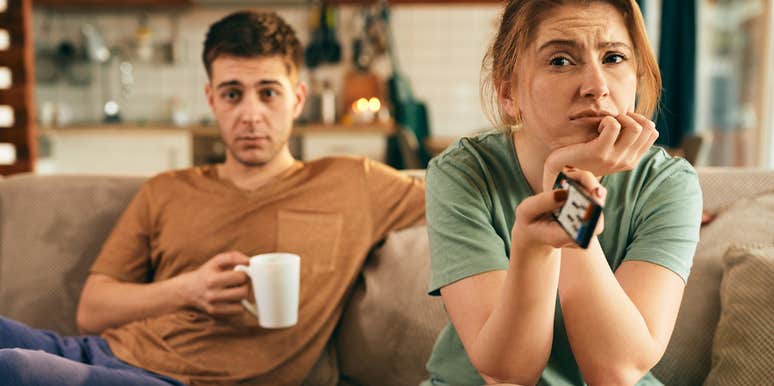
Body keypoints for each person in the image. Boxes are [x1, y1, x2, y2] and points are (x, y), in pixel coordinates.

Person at [0, 10, 424, 386]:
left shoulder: (354, 183)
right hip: (93, 353)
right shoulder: (166, 189)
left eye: (269, 92)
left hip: (175, 381)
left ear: (297, 100)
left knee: (16, 369)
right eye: (232, 93)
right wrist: (188, 289)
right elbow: (93, 310)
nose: (251, 113)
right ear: (212, 100)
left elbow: (465, 187)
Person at [422, 1, 701, 385]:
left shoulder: (669, 184)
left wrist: (572, 188)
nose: (597, 87)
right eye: (560, 61)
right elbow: (508, 373)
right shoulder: (463, 173)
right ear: (509, 92)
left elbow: (616, 371)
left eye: (614, 57)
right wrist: (553, 220)